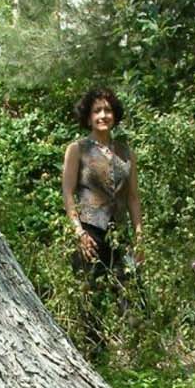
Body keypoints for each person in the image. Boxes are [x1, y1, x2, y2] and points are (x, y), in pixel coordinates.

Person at [61, 87, 143, 290]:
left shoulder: (127, 153)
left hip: (120, 235)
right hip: (90, 233)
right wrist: (78, 232)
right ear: (88, 118)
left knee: (132, 294)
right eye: (97, 111)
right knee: (90, 295)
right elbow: (68, 193)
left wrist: (139, 237)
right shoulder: (77, 149)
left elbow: (133, 198)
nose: (103, 115)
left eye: (107, 110)